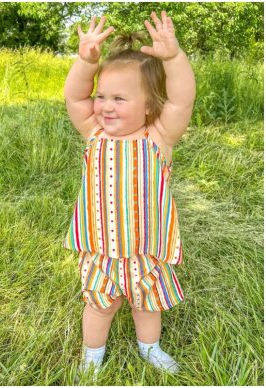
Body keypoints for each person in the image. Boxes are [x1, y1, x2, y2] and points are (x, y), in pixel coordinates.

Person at [63, 12, 195, 375]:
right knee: (98, 306)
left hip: (146, 251)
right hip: (101, 250)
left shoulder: (158, 138)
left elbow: (182, 101)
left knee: (147, 304)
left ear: (150, 105)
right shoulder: (94, 133)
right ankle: (92, 357)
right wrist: (85, 62)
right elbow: (75, 97)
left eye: (119, 98)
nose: (105, 105)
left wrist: (173, 58)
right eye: (101, 96)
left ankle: (149, 348)